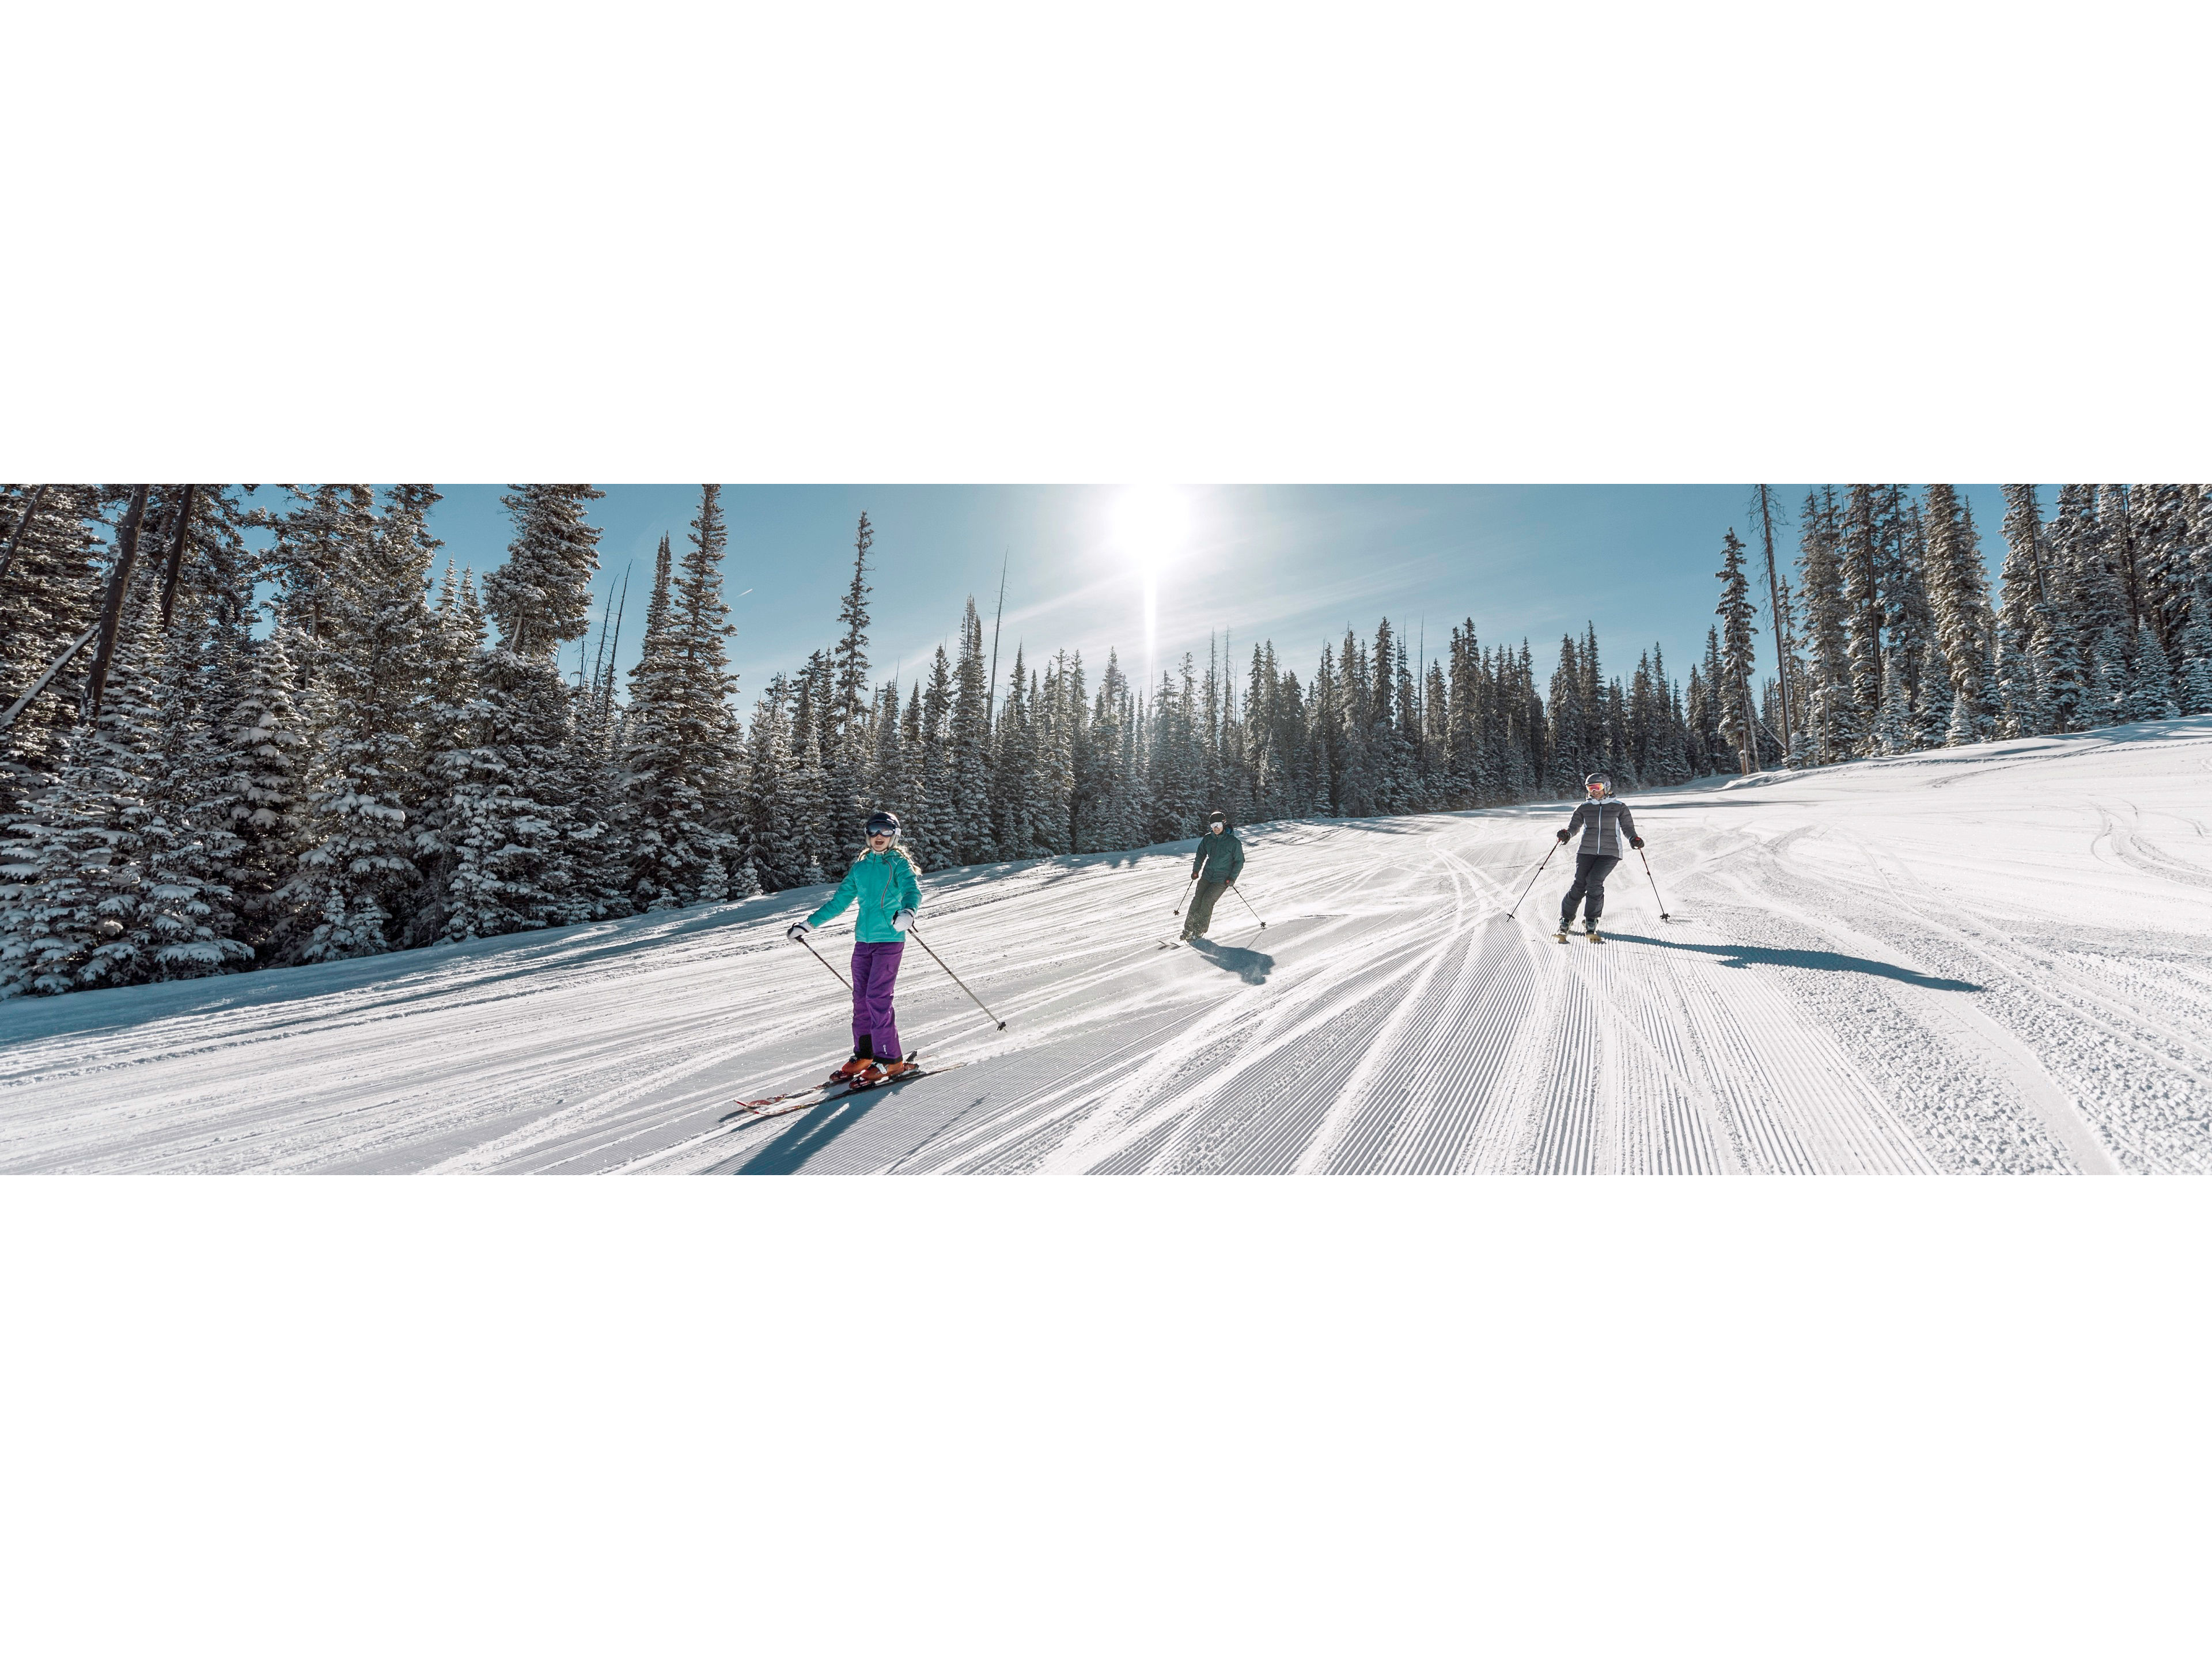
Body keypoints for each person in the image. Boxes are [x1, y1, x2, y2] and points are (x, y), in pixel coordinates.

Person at [786, 810, 922, 1085]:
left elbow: (912, 891)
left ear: (895, 835)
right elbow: (839, 902)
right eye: (874, 831)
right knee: (861, 1000)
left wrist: (908, 912)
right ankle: (865, 1054)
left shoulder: (899, 864)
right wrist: (808, 925)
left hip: (890, 940)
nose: (879, 837)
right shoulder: (860, 869)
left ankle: (891, 1060)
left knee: (878, 999)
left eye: (885, 831)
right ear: (867, 835)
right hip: (863, 941)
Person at [1554, 773, 1642, 942]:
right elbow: (1574, 827)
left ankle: (1591, 920)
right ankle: (1566, 919)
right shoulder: (1584, 808)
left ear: (1606, 787)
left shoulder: (1619, 807)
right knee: (1579, 884)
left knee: (1594, 882)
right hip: (1586, 851)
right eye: (1590, 788)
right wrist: (1567, 834)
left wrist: (1634, 839)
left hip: (1610, 853)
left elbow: (1628, 828)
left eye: (1597, 788)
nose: (1594, 792)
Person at [1183, 808, 1246, 941]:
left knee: (1207, 901)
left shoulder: (1233, 842)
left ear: (1223, 824)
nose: (1215, 828)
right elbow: (1200, 854)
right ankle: (1188, 929)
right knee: (1197, 900)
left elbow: (1239, 861)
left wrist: (1232, 878)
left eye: (1218, 825)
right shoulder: (1208, 839)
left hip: (1222, 879)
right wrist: (1196, 870)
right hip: (1207, 875)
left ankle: (1199, 930)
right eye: (1213, 826)